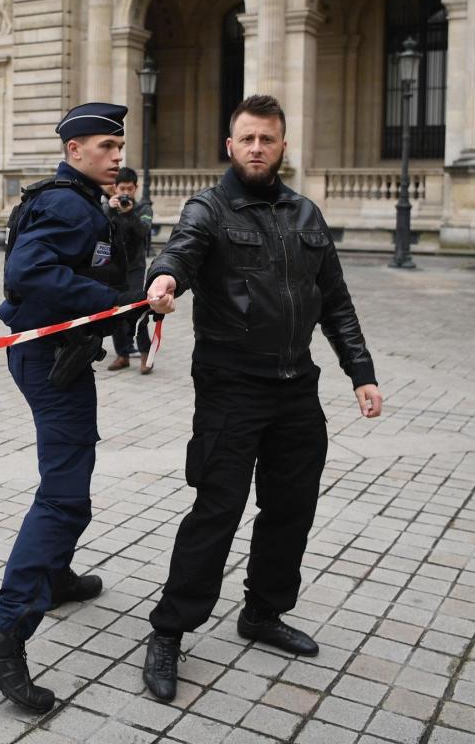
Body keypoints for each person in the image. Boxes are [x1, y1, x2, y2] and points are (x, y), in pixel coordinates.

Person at [139, 95, 383, 702]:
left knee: (291, 507)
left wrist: (361, 372)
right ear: (230, 145)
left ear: (282, 146)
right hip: (231, 385)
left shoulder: (306, 214)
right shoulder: (209, 208)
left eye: (266, 139)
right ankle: (169, 630)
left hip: (296, 388)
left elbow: (336, 302)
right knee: (217, 509)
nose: (256, 148)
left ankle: (263, 612)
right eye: (246, 139)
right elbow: (181, 251)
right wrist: (163, 279)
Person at [0, 102, 142, 715]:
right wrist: (113, 303)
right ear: (74, 151)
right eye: (105, 147)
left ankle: (56, 576)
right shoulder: (68, 204)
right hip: (49, 359)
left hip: (53, 354)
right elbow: (28, 272)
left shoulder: (79, 199)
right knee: (64, 498)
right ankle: (2, 639)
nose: (116, 156)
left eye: (118, 146)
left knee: (72, 472)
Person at [104, 167, 156, 374]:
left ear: (136, 188)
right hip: (113, 267)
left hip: (135, 267)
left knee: (137, 308)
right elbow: (100, 231)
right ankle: (122, 354)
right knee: (115, 308)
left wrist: (130, 212)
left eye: (130, 189)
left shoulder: (144, 209)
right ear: (115, 188)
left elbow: (143, 231)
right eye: (122, 189)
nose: (126, 193)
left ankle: (145, 354)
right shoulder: (109, 208)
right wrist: (109, 210)